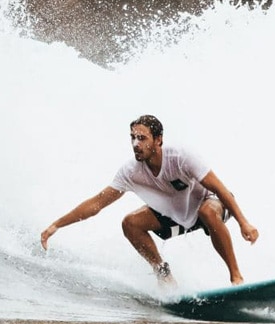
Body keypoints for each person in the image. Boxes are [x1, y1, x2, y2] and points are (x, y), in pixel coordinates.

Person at [40, 115, 259, 286]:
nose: (136, 144)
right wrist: (56, 225)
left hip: (211, 202)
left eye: (142, 138)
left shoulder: (181, 157)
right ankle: (164, 276)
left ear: (158, 139)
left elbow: (220, 188)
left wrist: (244, 223)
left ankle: (236, 277)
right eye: (133, 138)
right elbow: (96, 204)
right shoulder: (131, 171)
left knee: (207, 212)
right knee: (131, 223)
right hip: (179, 216)